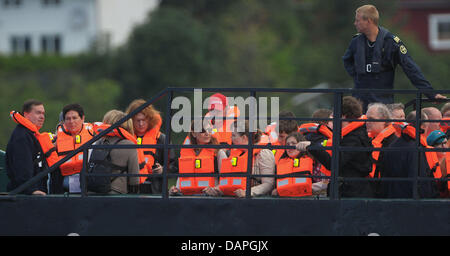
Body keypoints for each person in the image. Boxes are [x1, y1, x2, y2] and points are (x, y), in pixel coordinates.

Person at [342, 4, 446, 111]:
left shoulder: (392, 43)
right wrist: (358, 75)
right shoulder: (356, 42)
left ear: (368, 21)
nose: (355, 23)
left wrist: (430, 93)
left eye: (358, 20)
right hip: (359, 100)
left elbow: (411, 69)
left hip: (382, 102)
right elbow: (347, 60)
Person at [296, 96, 374, 198]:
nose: (332, 117)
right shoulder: (353, 135)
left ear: (344, 116)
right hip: (350, 190)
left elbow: (334, 163)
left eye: (334, 114)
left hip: (353, 194)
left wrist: (311, 146)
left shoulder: (353, 139)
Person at [204, 120, 275, 198]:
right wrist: (216, 190)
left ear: (244, 137)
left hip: (256, 201)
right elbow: (229, 183)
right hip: (235, 200)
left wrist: (248, 192)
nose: (231, 138)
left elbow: (268, 184)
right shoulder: (234, 154)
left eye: (234, 135)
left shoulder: (263, 154)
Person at [381, 111, 439, 198]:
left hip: (392, 198)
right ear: (422, 127)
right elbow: (420, 180)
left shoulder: (393, 144)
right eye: (426, 126)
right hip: (410, 202)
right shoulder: (416, 148)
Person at [126, 99, 176, 194]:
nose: (141, 124)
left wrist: (163, 169)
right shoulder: (126, 140)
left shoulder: (162, 139)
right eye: (138, 120)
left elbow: (174, 167)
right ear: (131, 121)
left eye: (144, 120)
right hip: (132, 190)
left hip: (155, 190)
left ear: (150, 119)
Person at [88, 110, 140, 194]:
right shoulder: (129, 145)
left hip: (92, 191)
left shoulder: (99, 141)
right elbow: (134, 179)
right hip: (116, 193)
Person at [6, 99, 51, 195]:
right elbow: (22, 166)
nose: (42, 117)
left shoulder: (30, 134)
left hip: (33, 191)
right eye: (38, 113)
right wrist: (32, 190)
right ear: (26, 115)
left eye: (43, 113)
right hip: (24, 195)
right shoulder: (22, 136)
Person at [169, 121, 226, 196]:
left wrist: (216, 190)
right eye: (202, 131)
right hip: (188, 198)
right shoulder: (185, 152)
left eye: (209, 130)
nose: (207, 133)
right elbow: (182, 177)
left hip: (210, 198)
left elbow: (226, 179)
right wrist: (175, 189)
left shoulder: (218, 152)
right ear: (194, 134)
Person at [55, 103, 94, 193]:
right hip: (66, 180)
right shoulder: (57, 138)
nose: (71, 121)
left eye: (75, 118)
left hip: (88, 180)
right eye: (68, 119)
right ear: (63, 121)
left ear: (82, 118)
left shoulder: (93, 131)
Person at [366, 103, 398, 197]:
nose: (367, 122)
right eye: (366, 119)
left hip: (386, 195)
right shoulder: (369, 140)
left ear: (384, 120)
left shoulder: (394, 144)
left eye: (371, 119)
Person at [272, 132, 315, 197]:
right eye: (288, 144)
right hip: (284, 199)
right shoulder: (279, 163)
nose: (290, 146)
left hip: (308, 198)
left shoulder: (313, 161)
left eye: (293, 143)